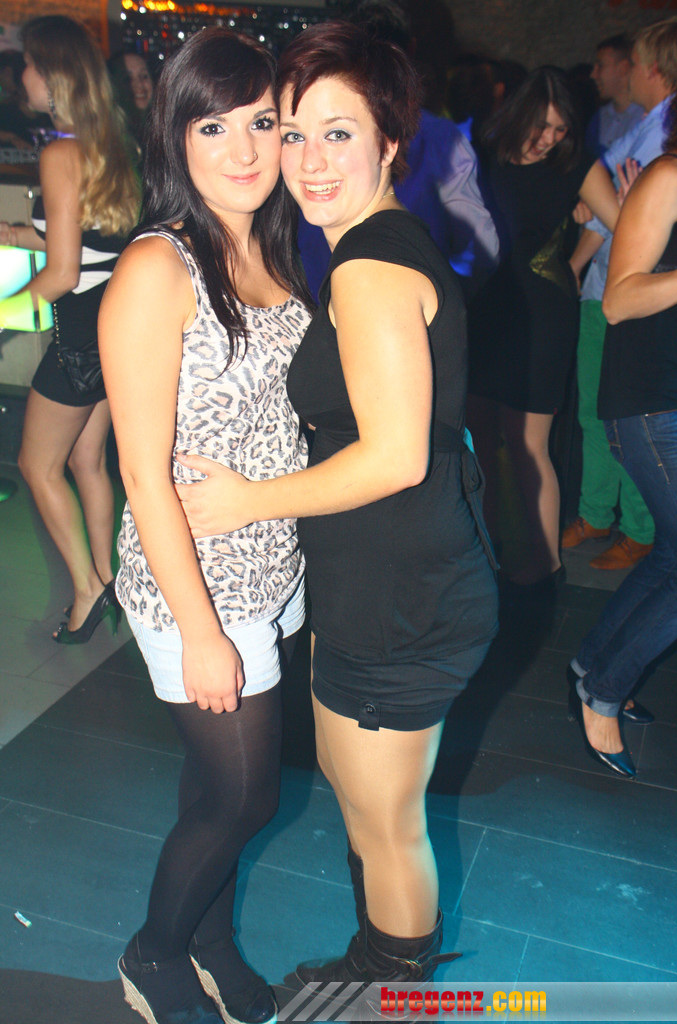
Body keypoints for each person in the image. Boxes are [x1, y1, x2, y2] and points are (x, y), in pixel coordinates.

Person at [177, 19, 499, 983]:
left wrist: (249, 501)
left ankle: (390, 986)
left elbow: (394, 457)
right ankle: (377, 961)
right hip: (390, 580)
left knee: (387, 822)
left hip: (402, 594)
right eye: (294, 133)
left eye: (339, 133)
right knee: (370, 806)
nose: (309, 160)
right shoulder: (372, 246)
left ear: (390, 142)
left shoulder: (367, 267)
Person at [98, 27, 313, 1024]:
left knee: (212, 784)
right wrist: (200, 631)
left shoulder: (267, 243)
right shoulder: (158, 266)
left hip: (272, 562)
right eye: (213, 125)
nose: (243, 148)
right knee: (245, 796)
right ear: (175, 136)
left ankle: (212, 940)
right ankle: (155, 950)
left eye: (262, 122)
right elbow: (141, 473)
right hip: (196, 583)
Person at [0, 16, 140, 642]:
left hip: (79, 340)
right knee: (87, 460)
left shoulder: (59, 153)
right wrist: (18, 233)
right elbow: (96, 244)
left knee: (36, 465)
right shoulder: (113, 142)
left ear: (53, 75)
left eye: (29, 63)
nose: (21, 75)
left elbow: (61, 274)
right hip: (117, 333)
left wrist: (2, 315)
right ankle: (109, 580)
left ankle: (87, 590)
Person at [568, 71, 677, 778]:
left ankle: (592, 667)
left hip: (674, 396)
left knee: (674, 556)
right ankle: (604, 694)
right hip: (652, 399)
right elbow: (618, 300)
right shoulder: (669, 176)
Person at [466, 67, 620, 588]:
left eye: (560, 128)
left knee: (529, 444)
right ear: (521, 115)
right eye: (543, 125)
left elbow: (623, 224)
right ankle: (491, 553)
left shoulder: (577, 165)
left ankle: (546, 564)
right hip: (489, 308)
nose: (551, 137)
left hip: (543, 313)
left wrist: (577, 258)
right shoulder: (485, 152)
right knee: (481, 438)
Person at [562, 18, 677, 571]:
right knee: (602, 414)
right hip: (615, 287)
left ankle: (636, 529)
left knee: (627, 415)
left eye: (631, 62)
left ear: (654, 68)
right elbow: (606, 207)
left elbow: (615, 211)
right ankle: (608, 516)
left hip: (634, 294)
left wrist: (601, 217)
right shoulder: (649, 130)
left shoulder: (661, 137)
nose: (625, 72)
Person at [297, 0, 499, 298]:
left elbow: (481, 249)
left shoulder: (441, 138)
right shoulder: (442, 138)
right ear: (411, 50)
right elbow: (482, 249)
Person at [586, 34, 643, 159]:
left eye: (600, 66)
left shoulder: (646, 117)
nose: (593, 74)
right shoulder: (599, 118)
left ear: (623, 68)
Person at [108, 50, 155, 147]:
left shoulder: (163, 129)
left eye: (144, 76)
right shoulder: (110, 139)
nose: (139, 85)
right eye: (128, 79)